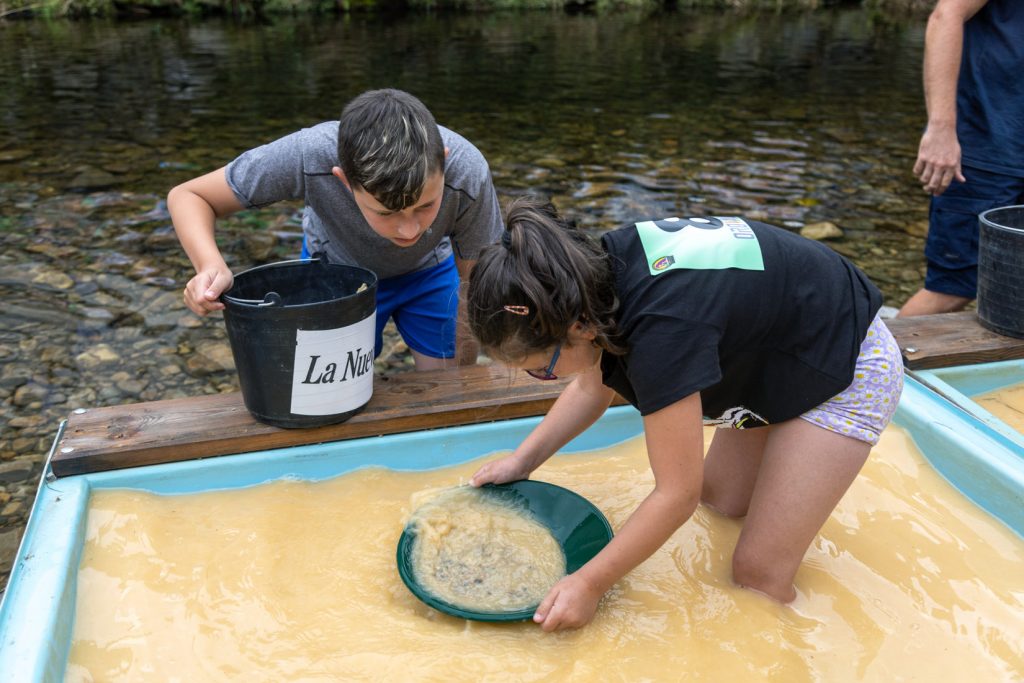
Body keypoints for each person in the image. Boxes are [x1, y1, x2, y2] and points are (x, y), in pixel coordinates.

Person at [466, 197, 904, 632]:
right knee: (721, 502)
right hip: (776, 349)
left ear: (580, 327)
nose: (546, 379)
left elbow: (676, 495)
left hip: (849, 360)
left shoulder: (662, 333)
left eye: (542, 370)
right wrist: (523, 460)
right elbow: (591, 384)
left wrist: (589, 583)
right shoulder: (580, 275)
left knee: (758, 576)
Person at [168, 88, 504, 369]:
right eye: (386, 212)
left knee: (447, 386)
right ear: (342, 179)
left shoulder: (466, 172)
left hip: (430, 273)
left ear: (443, 163)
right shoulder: (307, 156)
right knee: (330, 394)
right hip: (336, 274)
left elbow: (475, 283)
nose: (408, 230)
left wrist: (465, 366)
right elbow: (190, 195)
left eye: (425, 206)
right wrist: (209, 265)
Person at [898, 0, 1024, 317]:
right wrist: (941, 128)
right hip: (989, 151)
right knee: (950, 291)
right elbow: (946, 15)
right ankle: (862, 365)